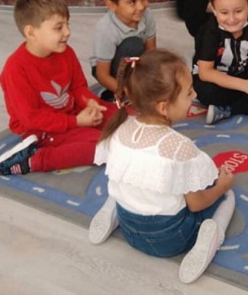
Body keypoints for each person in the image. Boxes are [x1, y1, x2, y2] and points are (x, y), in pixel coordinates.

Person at [90, 49, 236, 284]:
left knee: (128, 181)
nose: (195, 95)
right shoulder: (180, 148)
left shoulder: (119, 129)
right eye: (189, 92)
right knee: (227, 196)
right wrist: (222, 186)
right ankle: (209, 239)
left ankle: (112, 210)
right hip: (170, 240)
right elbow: (196, 203)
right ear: (163, 107)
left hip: (129, 229)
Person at [0, 0, 116, 176]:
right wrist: (76, 122)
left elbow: (78, 88)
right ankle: (34, 160)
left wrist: (90, 102)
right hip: (42, 131)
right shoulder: (15, 69)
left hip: (72, 115)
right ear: (31, 32)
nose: (68, 32)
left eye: (67, 24)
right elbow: (31, 119)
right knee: (108, 148)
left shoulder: (66, 52)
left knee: (128, 120)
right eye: (59, 27)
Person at [90, 0, 156, 102]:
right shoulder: (106, 28)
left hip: (133, 61)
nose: (141, 6)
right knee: (133, 45)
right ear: (111, 5)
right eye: (132, 2)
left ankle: (134, 84)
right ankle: (115, 92)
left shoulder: (147, 15)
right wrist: (128, 92)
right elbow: (102, 75)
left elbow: (152, 54)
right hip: (107, 69)